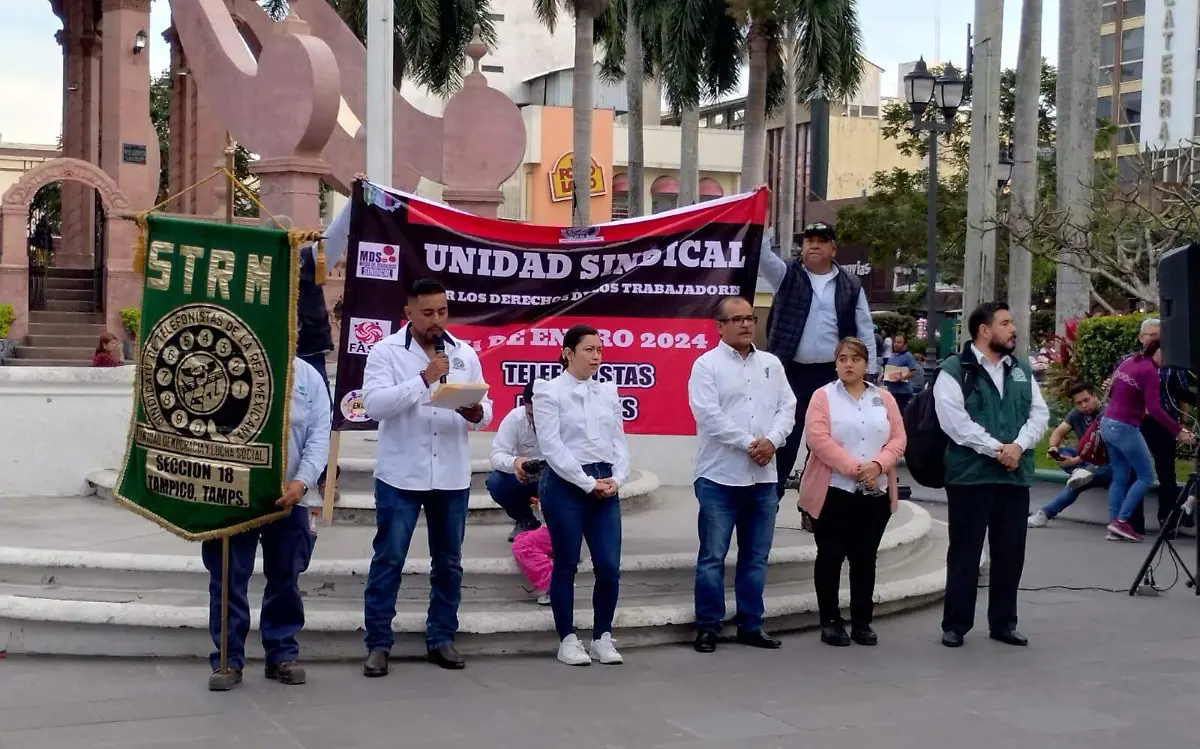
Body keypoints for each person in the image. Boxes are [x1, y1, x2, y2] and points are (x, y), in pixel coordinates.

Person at [360, 279, 492, 677]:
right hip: (401, 473)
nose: (437, 321)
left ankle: (441, 639)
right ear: (409, 314)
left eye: (443, 312)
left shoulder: (464, 353)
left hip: (450, 474)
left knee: (449, 563)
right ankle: (378, 644)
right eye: (428, 313)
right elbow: (374, 405)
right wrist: (423, 378)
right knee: (389, 559)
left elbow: (484, 409)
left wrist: (475, 413)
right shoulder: (385, 352)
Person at [205, 357, 331, 691]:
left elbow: (319, 436)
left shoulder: (308, 377)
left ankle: (281, 654)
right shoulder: (223, 364)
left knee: (285, 578)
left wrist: (302, 482)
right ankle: (227, 661)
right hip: (234, 496)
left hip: (290, 497)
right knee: (228, 577)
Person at [935, 302, 1048, 648]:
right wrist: (997, 449)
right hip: (971, 476)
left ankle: (1003, 622)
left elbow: (1039, 414)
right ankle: (956, 624)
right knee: (966, 552)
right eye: (1005, 323)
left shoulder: (1020, 370)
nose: (1013, 329)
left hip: (1014, 478)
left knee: (1011, 552)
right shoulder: (956, 369)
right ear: (984, 330)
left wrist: (1018, 446)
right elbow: (954, 423)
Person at [687, 296, 796, 654]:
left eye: (750, 318)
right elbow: (708, 415)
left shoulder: (771, 363)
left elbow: (788, 407)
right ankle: (708, 626)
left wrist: (774, 441)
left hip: (763, 479)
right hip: (720, 476)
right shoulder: (706, 365)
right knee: (713, 557)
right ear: (720, 326)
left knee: (755, 556)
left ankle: (751, 623)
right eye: (737, 319)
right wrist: (752, 443)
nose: (747, 324)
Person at [758, 222, 877, 506]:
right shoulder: (786, 274)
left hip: (831, 375)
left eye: (820, 241)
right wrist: (765, 227)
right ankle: (769, 502)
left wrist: (869, 373)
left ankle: (812, 505)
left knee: (823, 443)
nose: (813, 245)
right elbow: (762, 257)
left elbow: (864, 328)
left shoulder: (850, 285)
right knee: (786, 437)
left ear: (833, 249)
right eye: (808, 241)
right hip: (791, 372)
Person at [533, 324, 630, 666]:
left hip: (605, 482)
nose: (596, 356)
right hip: (566, 485)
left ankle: (602, 635)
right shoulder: (549, 391)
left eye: (599, 350)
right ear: (568, 352)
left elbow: (619, 441)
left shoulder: (606, 392)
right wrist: (586, 482)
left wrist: (618, 476)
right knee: (567, 562)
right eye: (589, 349)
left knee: (609, 565)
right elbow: (552, 446)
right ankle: (568, 638)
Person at [799, 338, 906, 646]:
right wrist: (854, 468)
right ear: (835, 363)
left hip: (875, 492)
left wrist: (878, 464)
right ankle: (830, 621)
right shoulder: (823, 397)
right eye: (843, 358)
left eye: (855, 359)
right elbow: (817, 439)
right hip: (834, 490)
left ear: (866, 364)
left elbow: (898, 439)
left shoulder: (883, 398)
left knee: (864, 558)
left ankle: (862, 621)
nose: (849, 364)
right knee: (830, 556)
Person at [1101, 340, 1193, 542]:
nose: (1169, 361)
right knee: (1146, 476)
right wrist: (1178, 431)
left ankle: (1114, 524)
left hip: (1107, 423)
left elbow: (1114, 390)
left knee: (1120, 476)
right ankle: (1122, 521)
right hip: (1125, 427)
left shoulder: (1129, 362)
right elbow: (1156, 408)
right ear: (1157, 351)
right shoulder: (1151, 371)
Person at [1027, 383, 1112, 529]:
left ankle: (1045, 513)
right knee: (1064, 453)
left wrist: (1075, 461)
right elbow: (1058, 432)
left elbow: (1097, 449)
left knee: (1079, 482)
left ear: (1094, 396)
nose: (1084, 405)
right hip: (1086, 460)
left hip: (1107, 466)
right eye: (1079, 403)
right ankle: (1079, 473)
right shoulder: (1076, 414)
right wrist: (1053, 448)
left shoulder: (1106, 413)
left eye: (1086, 400)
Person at [487, 379, 545, 542]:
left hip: (557, 473)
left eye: (542, 415)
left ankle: (568, 526)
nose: (536, 420)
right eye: (531, 415)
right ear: (525, 405)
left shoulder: (567, 418)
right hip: (527, 473)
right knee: (496, 482)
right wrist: (515, 463)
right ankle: (526, 520)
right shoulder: (515, 418)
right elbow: (496, 455)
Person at [511, 524, 553, 605]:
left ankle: (549, 591)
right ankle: (548, 592)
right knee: (546, 567)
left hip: (526, 543)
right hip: (526, 548)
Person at [882, 333, 919, 413]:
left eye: (899, 343)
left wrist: (901, 378)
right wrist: (883, 375)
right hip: (891, 390)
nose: (896, 344)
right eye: (895, 342)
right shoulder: (892, 356)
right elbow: (888, 370)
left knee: (901, 413)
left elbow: (913, 371)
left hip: (903, 392)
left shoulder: (907, 356)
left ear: (905, 345)